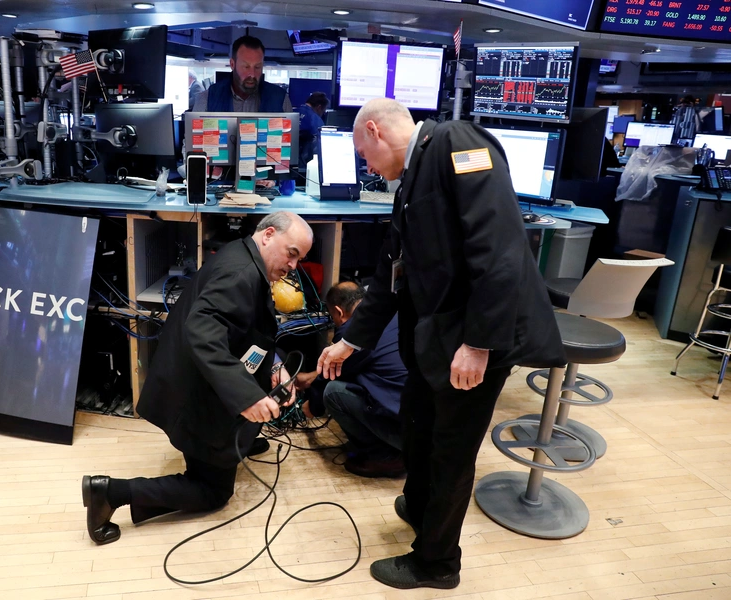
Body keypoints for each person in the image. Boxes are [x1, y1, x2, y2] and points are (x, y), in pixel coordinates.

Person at [317, 99, 566, 590]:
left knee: (451, 451)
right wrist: (349, 343)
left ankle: (437, 564)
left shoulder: (460, 144)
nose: (366, 166)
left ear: (375, 130)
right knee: (418, 429)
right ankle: (421, 506)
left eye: (363, 153)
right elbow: (389, 279)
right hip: (437, 344)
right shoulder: (409, 181)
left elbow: (500, 251)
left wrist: (478, 344)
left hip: (476, 343)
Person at [82, 211, 313, 545]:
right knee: (213, 493)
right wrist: (247, 397)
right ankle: (110, 493)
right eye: (292, 253)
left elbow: (243, 331)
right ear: (268, 235)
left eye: (300, 259)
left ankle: (240, 442)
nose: (294, 265)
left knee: (238, 439)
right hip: (196, 392)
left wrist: (275, 368)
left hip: (198, 378)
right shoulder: (240, 274)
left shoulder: (245, 257)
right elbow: (204, 333)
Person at [296, 281, 406, 478]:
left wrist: (311, 406)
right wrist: (312, 377)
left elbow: (333, 377)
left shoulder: (353, 332)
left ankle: (385, 457)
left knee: (333, 393)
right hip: (426, 423)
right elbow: (358, 363)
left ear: (338, 312)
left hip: (405, 434)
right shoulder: (391, 311)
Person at [192, 35, 293, 113]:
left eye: (257, 67)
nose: (252, 74)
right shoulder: (207, 100)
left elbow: (292, 139)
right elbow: (193, 139)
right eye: (246, 67)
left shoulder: (280, 99)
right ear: (232, 64)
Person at [297, 91, 329, 167]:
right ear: (319, 107)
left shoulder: (293, 112)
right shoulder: (316, 120)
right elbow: (319, 146)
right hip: (306, 164)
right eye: (323, 111)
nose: (322, 114)